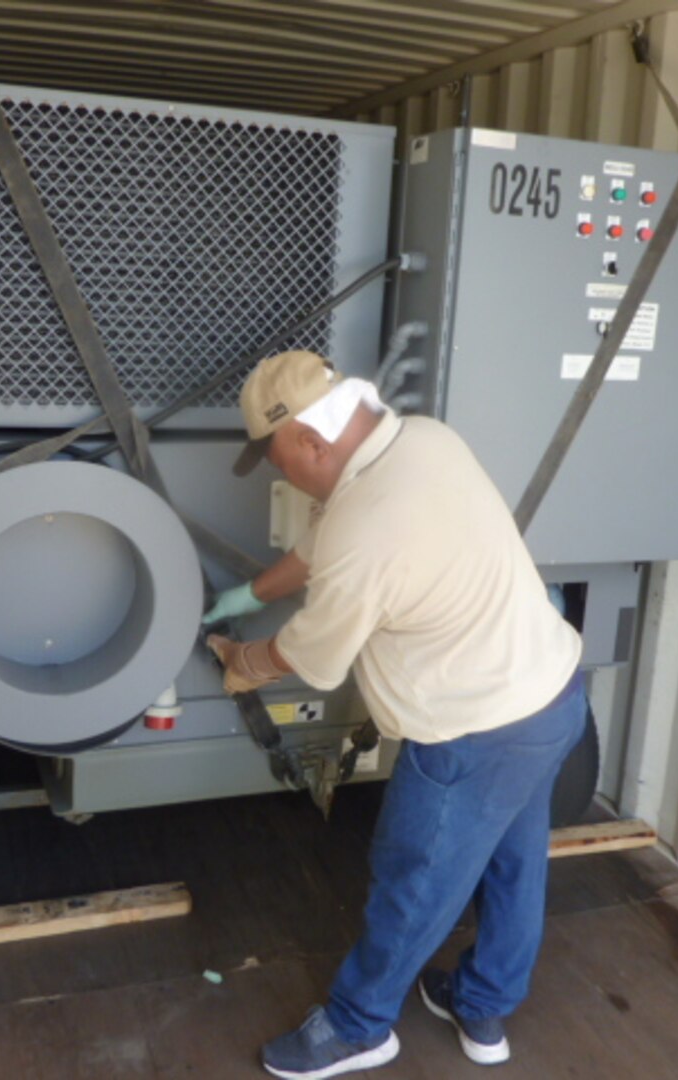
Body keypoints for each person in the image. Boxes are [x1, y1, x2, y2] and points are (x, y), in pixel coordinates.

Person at [203, 350, 586, 1079]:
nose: (283, 475)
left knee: (413, 879)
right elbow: (326, 544)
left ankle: (358, 1026)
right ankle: (483, 1008)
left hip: (474, 731)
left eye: (281, 459)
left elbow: (314, 653)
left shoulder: (366, 528)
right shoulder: (424, 439)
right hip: (551, 695)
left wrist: (241, 660)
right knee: (512, 865)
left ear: (313, 442)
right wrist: (253, 591)